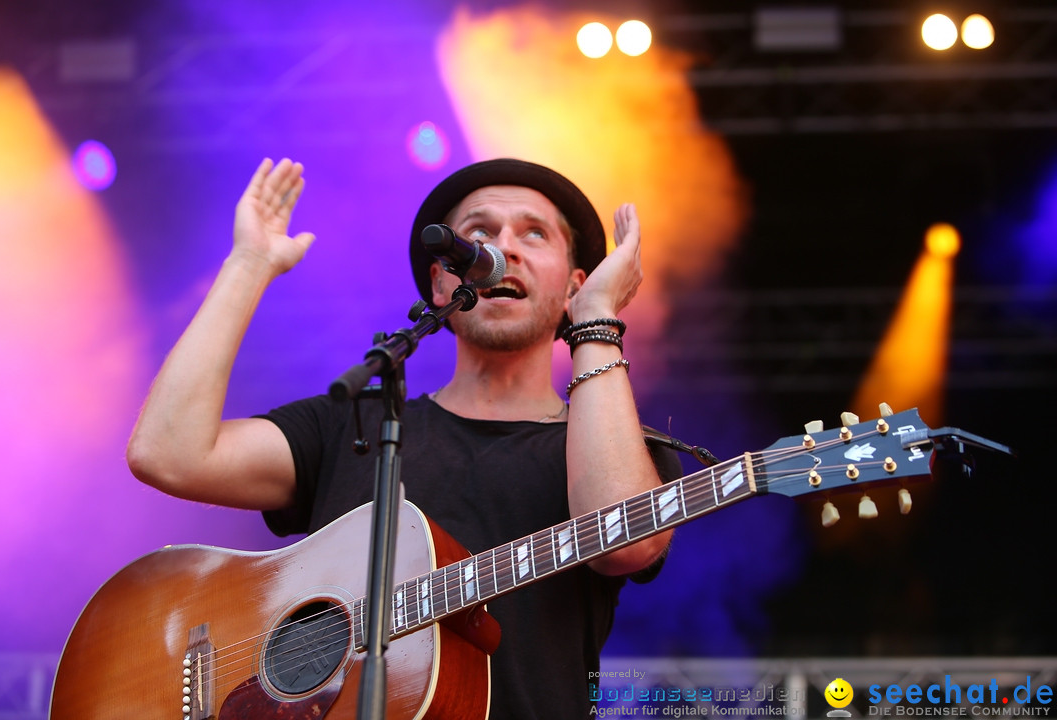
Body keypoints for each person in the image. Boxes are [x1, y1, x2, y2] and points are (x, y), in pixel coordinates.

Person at [126, 156, 682, 718]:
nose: (505, 248)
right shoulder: (357, 423)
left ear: (573, 285)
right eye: (480, 233)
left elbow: (625, 542)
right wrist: (249, 263)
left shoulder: (613, 442)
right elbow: (166, 453)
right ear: (443, 282)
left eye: (533, 233)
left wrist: (596, 321)